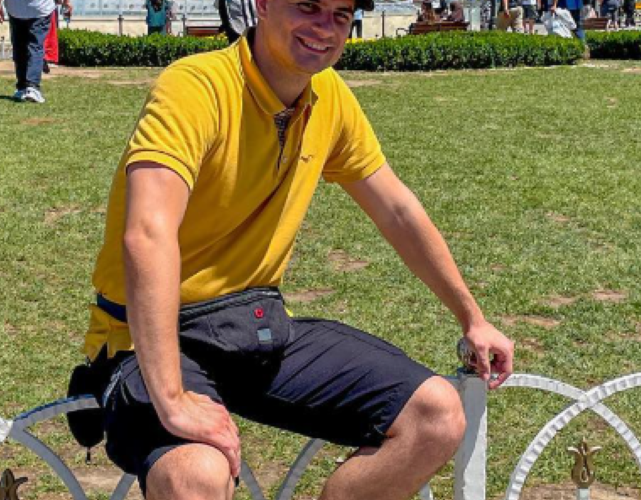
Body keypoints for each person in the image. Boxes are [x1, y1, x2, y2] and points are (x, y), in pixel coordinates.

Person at [75, 0, 517, 496]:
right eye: (308, 6)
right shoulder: (196, 86)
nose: (324, 27)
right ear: (262, 5)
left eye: (340, 14)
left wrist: (472, 316)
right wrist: (172, 398)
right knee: (196, 473)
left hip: (250, 323)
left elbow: (397, 210)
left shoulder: (328, 96)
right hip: (148, 335)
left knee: (435, 416)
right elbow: (147, 234)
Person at [0, 0, 54, 103]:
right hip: (39, 8)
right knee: (35, 46)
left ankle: (22, 87)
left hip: (15, 8)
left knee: (19, 46)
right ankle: (32, 86)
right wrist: (66, 3)